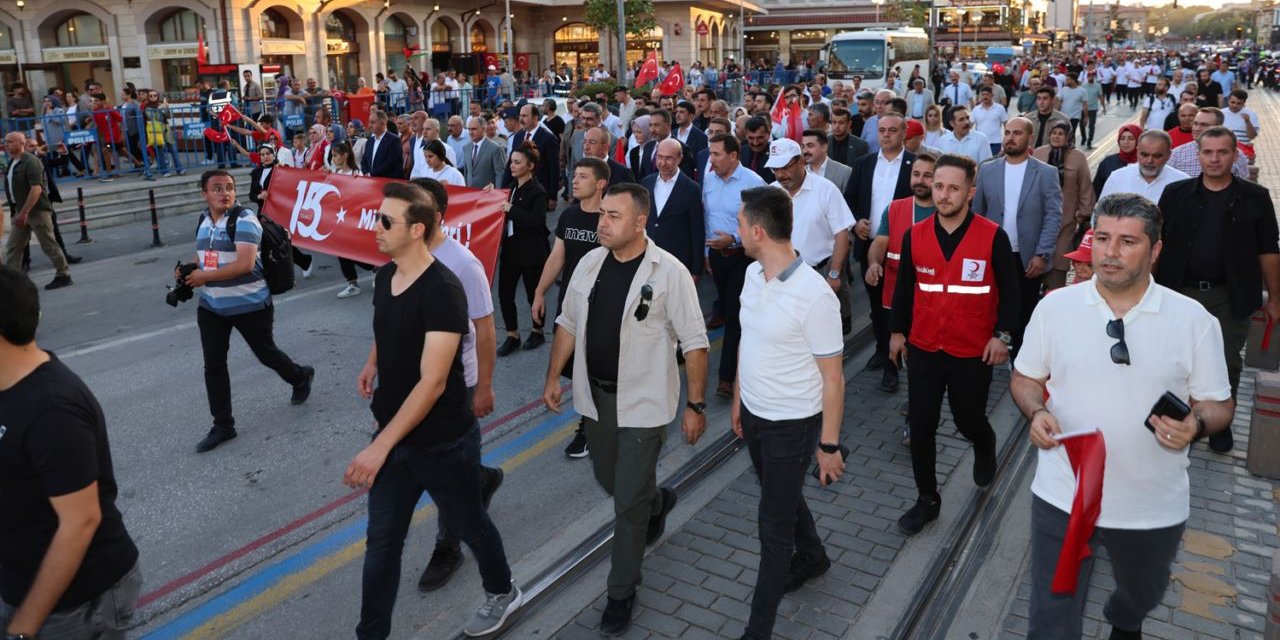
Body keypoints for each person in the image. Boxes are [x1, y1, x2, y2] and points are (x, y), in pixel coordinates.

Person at [1011, 193, 1234, 640]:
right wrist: (1035, 411)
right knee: (1052, 616)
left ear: (1155, 251)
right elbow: (1025, 378)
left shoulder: (1194, 320)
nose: (1110, 253)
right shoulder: (1055, 308)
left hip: (1151, 503)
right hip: (1066, 495)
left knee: (1144, 593)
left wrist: (1196, 425)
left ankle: (1125, 617)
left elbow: (1218, 405)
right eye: (1103, 239)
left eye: (1127, 242)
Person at [346, 181, 521, 638]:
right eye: (376, 217)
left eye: (386, 221)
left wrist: (377, 448)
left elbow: (434, 381)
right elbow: (387, 329)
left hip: (443, 442)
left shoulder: (444, 289)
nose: (376, 227)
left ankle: (502, 590)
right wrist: (372, 363)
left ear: (418, 229)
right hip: (395, 437)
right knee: (382, 543)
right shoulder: (385, 276)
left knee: (469, 525)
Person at [542, 183, 709, 636]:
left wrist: (695, 404)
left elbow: (695, 343)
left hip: (645, 404)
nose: (603, 223)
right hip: (594, 399)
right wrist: (553, 375)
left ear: (640, 223)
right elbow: (568, 323)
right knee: (608, 478)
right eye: (602, 215)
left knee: (627, 505)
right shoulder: (591, 264)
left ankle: (621, 590)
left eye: (614, 216)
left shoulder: (668, 272)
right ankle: (657, 501)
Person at [0, 267, 142, 640]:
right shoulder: (7, 387)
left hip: (76, 602)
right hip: (21, 583)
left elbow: (80, 522)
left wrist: (24, 626)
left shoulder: (52, 409)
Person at [732, 186, 846, 640]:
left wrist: (828, 445)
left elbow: (834, 380)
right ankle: (814, 556)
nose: (736, 230)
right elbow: (748, 339)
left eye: (741, 224)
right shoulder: (751, 276)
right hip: (756, 416)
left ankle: (757, 630)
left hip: (793, 427)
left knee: (772, 527)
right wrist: (740, 396)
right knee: (781, 493)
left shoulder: (815, 296)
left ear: (758, 231)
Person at [889, 153, 1021, 536]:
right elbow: (906, 289)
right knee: (922, 426)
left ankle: (984, 441)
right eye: (939, 185)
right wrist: (897, 331)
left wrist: (1003, 336)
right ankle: (927, 499)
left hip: (971, 350)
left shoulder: (993, 236)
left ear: (970, 192)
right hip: (925, 348)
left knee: (968, 420)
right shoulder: (916, 235)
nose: (944, 194)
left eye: (953, 188)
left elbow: (1011, 295)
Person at [1157, 126, 1280, 454]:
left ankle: (1219, 424)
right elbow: (1156, 243)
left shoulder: (1256, 197)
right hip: (1178, 291)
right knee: (1175, 361)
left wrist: (1275, 299)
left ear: (1234, 155)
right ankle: (1175, 422)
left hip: (1229, 297)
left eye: (1222, 152)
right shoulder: (1175, 194)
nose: (1214, 159)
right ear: (1198, 156)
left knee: (1225, 362)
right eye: (1207, 152)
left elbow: (1268, 251)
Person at [186, 171, 314, 453]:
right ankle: (223, 425)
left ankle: (299, 376)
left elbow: (244, 264)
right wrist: (189, 268)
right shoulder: (204, 220)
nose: (225, 193)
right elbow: (205, 253)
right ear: (204, 194)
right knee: (214, 365)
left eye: (229, 188)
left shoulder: (244, 220)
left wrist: (204, 278)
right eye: (217, 188)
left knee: (266, 352)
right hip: (212, 307)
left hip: (250, 304)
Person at [531, 158, 611, 459]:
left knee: (590, 369)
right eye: (574, 175)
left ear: (601, 183)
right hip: (570, 305)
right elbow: (557, 257)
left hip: (601, 308)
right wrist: (539, 292)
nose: (574, 181)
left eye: (583, 176)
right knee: (570, 365)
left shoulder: (610, 218)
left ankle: (589, 428)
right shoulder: (569, 216)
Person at [864, 152, 938, 445]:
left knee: (920, 361)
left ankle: (916, 415)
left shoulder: (946, 211)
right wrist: (873, 263)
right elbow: (879, 243)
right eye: (916, 174)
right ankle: (893, 374)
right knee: (896, 346)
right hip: (895, 294)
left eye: (927, 175)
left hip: (931, 302)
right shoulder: (894, 209)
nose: (920, 181)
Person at [971, 117, 1063, 354]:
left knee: (1023, 313)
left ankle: (1020, 363)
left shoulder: (1045, 173)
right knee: (990, 308)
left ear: (1030, 138)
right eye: (1007, 132)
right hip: (992, 254)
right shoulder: (987, 169)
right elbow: (976, 214)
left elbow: (1053, 215)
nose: (1010, 137)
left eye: (1017, 133)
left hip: (1027, 258)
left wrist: (1042, 254)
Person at [849, 114, 916, 389]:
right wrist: (856, 222)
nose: (886, 135)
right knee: (877, 305)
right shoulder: (864, 164)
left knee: (899, 305)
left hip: (905, 248)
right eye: (882, 130)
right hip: (871, 245)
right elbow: (850, 199)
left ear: (904, 133)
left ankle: (894, 363)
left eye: (892, 130)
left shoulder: (915, 166)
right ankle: (880, 348)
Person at [704, 133, 768, 399]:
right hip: (718, 260)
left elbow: (763, 225)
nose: (712, 159)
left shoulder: (754, 183)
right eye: (711, 153)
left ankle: (727, 378)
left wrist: (737, 239)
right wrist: (707, 252)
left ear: (733, 155)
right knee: (731, 310)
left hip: (744, 257)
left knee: (733, 315)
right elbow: (706, 215)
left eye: (717, 154)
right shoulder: (708, 179)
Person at [496, 143, 550, 357]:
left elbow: (536, 221)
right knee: (504, 294)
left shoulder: (538, 191)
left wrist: (512, 209)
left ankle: (537, 331)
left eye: (518, 162)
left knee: (533, 294)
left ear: (531, 166)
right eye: (512, 161)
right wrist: (491, 195)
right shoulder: (510, 186)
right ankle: (512, 335)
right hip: (510, 249)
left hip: (531, 251)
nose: (512, 165)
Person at [1, 133, 72, 289]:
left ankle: (63, 274)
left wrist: (25, 212)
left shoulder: (31, 162)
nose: (6, 144)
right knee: (14, 246)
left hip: (36, 211)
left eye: (9, 142)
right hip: (20, 210)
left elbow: (36, 189)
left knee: (48, 244)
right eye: (5, 142)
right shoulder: (13, 161)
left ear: (20, 143)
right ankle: (13, 281)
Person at [1032, 122, 1095, 290]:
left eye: (1061, 133)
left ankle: (1053, 293)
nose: (1056, 136)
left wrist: (1083, 213)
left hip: (1066, 218)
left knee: (1059, 259)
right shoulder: (1039, 153)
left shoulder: (1077, 156)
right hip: (1038, 215)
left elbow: (1085, 186)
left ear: (1068, 137)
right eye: (1054, 133)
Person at [640, 138, 705, 279]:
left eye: (668, 158)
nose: (663, 163)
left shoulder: (691, 188)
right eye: (660, 157)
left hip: (677, 261)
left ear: (679, 159)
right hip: (647, 256)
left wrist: (696, 270)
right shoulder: (647, 183)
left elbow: (697, 230)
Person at [1098, 130, 1188, 203]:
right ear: (1137, 151)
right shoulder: (1117, 178)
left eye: (1157, 156)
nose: (1149, 161)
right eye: (1144, 155)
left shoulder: (1183, 182)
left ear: (1168, 155)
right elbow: (1099, 215)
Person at [503, 103, 561, 210]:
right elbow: (510, 164)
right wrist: (503, 189)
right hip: (519, 190)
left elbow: (554, 169)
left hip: (540, 191)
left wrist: (553, 197)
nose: (521, 119)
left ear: (535, 118)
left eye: (525, 116)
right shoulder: (518, 136)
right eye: (520, 116)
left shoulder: (548, 138)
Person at [1167, 107, 1251, 179]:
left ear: (1219, 126)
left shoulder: (1236, 155)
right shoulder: (1177, 154)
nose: (1197, 128)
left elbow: (1243, 184)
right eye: (1195, 123)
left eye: (1204, 125)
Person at [1092, 123, 1141, 196]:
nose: (1126, 142)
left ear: (1139, 141)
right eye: (1122, 138)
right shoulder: (1108, 162)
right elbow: (1096, 190)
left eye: (1131, 138)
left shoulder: (1145, 163)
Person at [361, 110, 404, 179]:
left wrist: (371, 174)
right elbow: (364, 160)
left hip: (388, 181)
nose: (369, 125)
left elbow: (390, 162)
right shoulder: (370, 141)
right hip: (371, 181)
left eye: (373, 123)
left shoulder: (394, 140)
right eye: (369, 122)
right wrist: (366, 172)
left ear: (383, 123)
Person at [970, 87, 1008, 157]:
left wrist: (1006, 140)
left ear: (992, 95)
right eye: (983, 95)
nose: (985, 97)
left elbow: (1006, 125)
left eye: (987, 94)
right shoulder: (976, 109)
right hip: (980, 141)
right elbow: (969, 126)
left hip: (996, 142)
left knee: (994, 163)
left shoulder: (1000, 108)